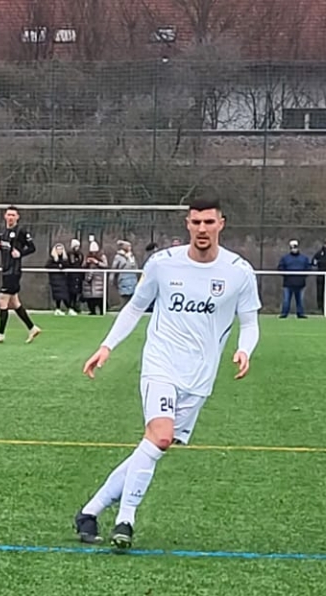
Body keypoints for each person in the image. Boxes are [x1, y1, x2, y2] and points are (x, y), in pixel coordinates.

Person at [74, 195, 260, 550]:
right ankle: (125, 520)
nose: (202, 228)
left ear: (221, 224)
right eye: (196, 222)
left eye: (209, 222)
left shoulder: (239, 271)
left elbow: (249, 322)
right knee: (160, 437)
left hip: (200, 377)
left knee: (153, 447)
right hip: (161, 364)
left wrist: (244, 349)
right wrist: (107, 346)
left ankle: (89, 512)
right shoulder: (163, 264)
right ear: (187, 224)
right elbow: (135, 308)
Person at [0, 206, 41, 343]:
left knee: (2, 301)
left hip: (13, 271)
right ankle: (32, 328)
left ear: (17, 217)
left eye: (13, 215)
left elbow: (32, 248)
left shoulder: (21, 231)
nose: (10, 217)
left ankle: (0, 333)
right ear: (5, 216)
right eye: (9, 215)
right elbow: (2, 245)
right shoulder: (3, 232)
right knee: (15, 303)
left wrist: (20, 253)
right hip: (6, 270)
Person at [276, 240, 311, 318]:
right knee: (286, 300)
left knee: (300, 300)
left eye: (295, 247)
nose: (294, 249)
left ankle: (300, 313)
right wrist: (286, 275)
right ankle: (284, 313)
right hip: (288, 283)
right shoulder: (285, 258)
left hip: (300, 283)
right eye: (292, 247)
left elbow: (308, 268)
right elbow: (280, 268)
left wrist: (302, 276)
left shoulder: (304, 258)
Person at [112, 240, 139, 308]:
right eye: (128, 246)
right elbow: (114, 268)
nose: (130, 248)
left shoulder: (132, 257)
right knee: (124, 298)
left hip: (133, 279)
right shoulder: (118, 257)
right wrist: (112, 279)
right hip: (123, 279)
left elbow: (136, 267)